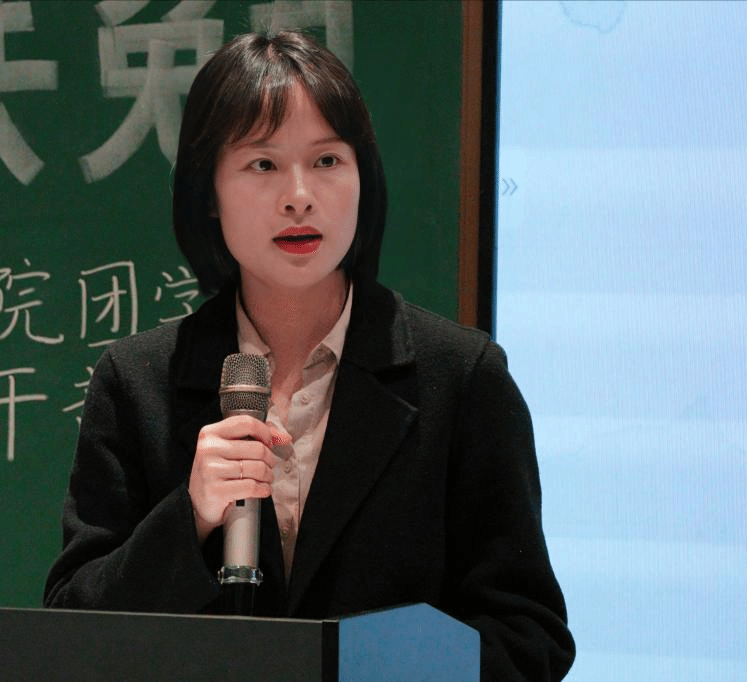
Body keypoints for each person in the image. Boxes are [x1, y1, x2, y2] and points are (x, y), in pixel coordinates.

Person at [44, 30, 574, 680]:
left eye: (326, 160)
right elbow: (70, 631)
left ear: (362, 177)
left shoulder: (461, 378)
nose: (299, 195)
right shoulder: (137, 382)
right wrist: (188, 518)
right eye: (263, 165)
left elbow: (528, 638)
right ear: (208, 193)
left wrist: (367, 667)